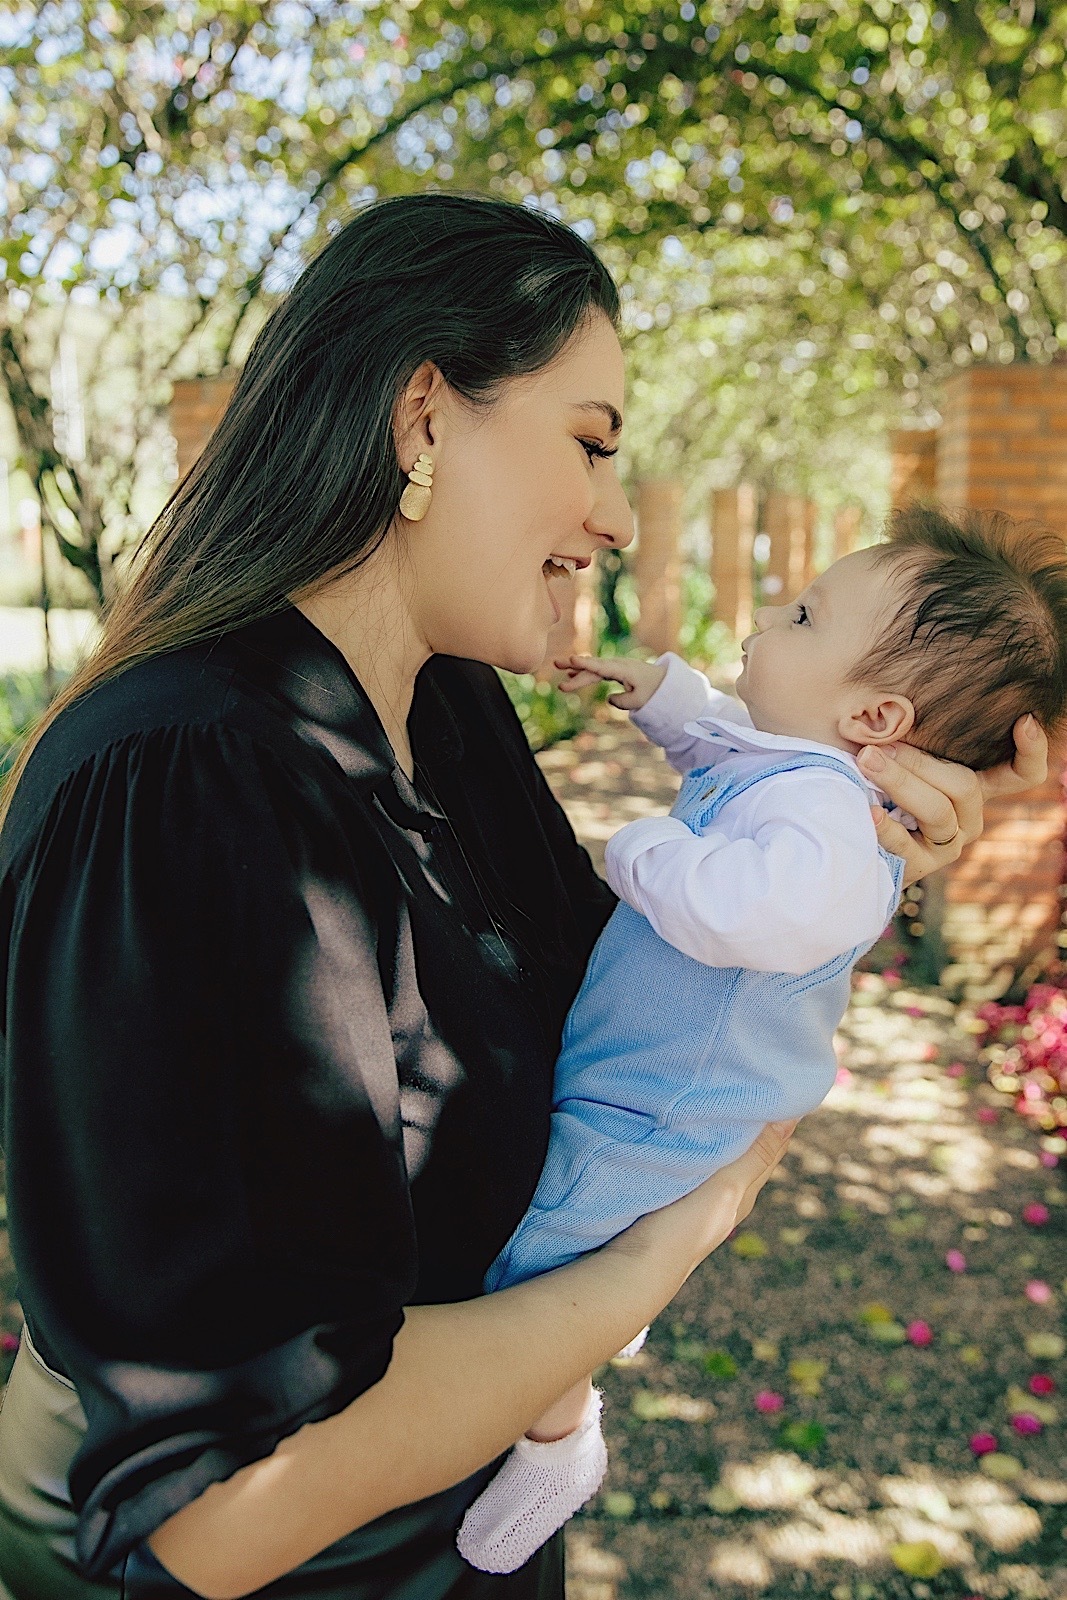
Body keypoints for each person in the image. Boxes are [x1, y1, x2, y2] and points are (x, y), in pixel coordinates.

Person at [0, 195, 1045, 1600]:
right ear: (423, 420)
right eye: (591, 443)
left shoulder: (447, 712)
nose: (614, 519)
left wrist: (839, 869)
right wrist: (666, 1249)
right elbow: (216, 1515)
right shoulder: (193, 790)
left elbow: (642, 1015)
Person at [457, 506, 1067, 1575]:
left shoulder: (832, 818)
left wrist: (644, 851)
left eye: (798, 617)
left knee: (532, 1254)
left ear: (874, 715)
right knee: (562, 1225)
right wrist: (657, 694)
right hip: (647, 1077)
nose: (757, 629)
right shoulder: (804, 766)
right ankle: (588, 1319)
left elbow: (759, 915)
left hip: (673, 1102)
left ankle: (555, 1428)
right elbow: (724, 741)